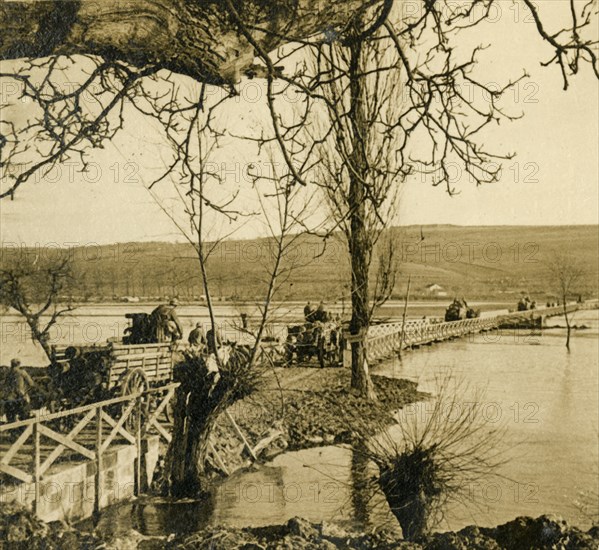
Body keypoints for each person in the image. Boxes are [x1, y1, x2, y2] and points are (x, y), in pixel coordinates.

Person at [4, 359, 34, 423]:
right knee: (25, 418)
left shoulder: (8, 374)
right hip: (21, 396)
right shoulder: (22, 372)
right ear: (19, 364)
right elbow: (31, 384)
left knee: (11, 419)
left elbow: (5, 385)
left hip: (10, 397)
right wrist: (25, 391)